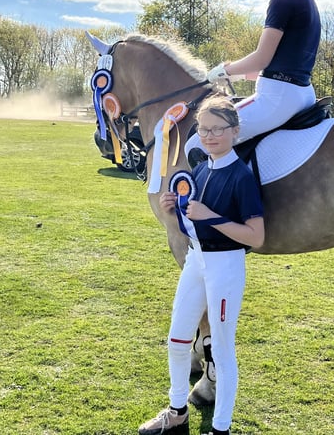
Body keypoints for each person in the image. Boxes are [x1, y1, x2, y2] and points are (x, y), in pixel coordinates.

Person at [139, 95, 265, 435]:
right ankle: (177, 412)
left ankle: (221, 427)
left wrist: (211, 216)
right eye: (203, 129)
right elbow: (192, 221)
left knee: (222, 350)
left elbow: (255, 236)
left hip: (225, 265)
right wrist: (173, 208)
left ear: (235, 132)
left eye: (217, 130)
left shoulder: (241, 176)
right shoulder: (200, 169)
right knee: (178, 339)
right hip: (196, 260)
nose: (209, 136)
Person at [185, 0, 321, 162]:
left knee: (199, 142)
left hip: (276, 98)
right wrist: (237, 76)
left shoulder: (283, 0)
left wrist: (223, 70)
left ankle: (221, 200)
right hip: (301, 94)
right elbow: (278, 67)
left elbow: (261, 59)